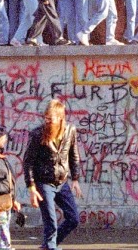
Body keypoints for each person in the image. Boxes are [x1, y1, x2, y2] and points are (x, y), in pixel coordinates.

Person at [24, 99, 83, 250]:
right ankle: (51, 247)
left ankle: (49, 245)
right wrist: (31, 187)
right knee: (50, 219)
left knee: (73, 218)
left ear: (60, 118)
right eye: (46, 118)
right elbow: (28, 162)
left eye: (51, 118)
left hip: (62, 182)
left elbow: (74, 155)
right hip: (43, 182)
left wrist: (75, 179)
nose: (48, 121)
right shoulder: (37, 134)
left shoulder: (70, 130)